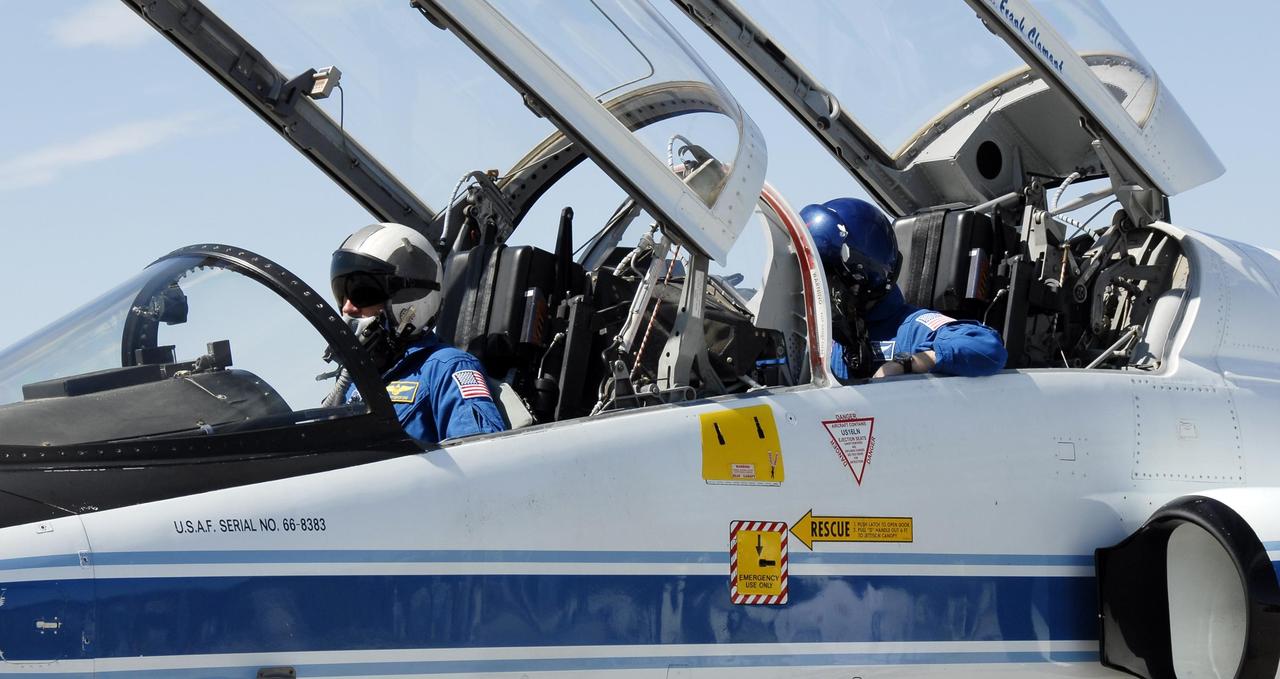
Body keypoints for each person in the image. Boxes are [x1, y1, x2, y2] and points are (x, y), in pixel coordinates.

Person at [329, 222, 507, 444]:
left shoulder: (446, 368)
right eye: (341, 294)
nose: (347, 308)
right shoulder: (357, 379)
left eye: (362, 293)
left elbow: (481, 454)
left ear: (408, 298)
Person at [801, 198, 1007, 380]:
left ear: (862, 277)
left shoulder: (912, 329)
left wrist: (906, 364)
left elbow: (988, 348)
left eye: (830, 278)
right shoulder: (830, 341)